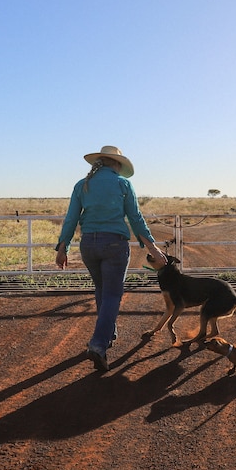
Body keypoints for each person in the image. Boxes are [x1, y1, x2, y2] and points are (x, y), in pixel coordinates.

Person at [55, 145, 167, 372]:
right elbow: (136, 218)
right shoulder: (122, 184)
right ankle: (98, 344)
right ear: (116, 163)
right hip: (115, 244)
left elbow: (71, 219)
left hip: (88, 245)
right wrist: (153, 249)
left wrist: (62, 247)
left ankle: (108, 332)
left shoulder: (82, 185)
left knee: (102, 290)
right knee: (113, 295)